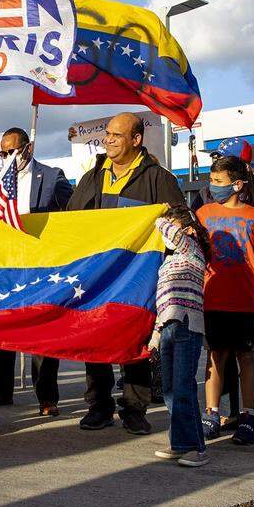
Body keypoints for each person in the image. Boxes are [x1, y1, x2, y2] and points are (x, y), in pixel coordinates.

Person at [67, 112, 185, 434]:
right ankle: (99, 406)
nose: (108, 140)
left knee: (134, 342)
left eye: (117, 135)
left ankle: (134, 409)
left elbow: (180, 224)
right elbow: (71, 221)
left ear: (136, 140)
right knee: (96, 340)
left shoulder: (159, 179)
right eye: (107, 133)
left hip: (138, 278)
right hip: (96, 277)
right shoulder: (92, 176)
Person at [0, 127, 73, 412]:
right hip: (7, 263)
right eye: (2, 152)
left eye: (11, 151)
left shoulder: (52, 177)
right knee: (3, 326)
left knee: (42, 331)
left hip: (41, 264)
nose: (7, 157)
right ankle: (2, 390)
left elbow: (74, 213)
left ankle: (46, 396)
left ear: (28, 148)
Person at [196, 155, 254, 446]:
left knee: (247, 358)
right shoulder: (203, 213)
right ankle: (211, 413)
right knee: (215, 357)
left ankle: (249, 415)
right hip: (212, 298)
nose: (213, 186)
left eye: (218, 181)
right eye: (211, 180)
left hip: (247, 300)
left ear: (237, 184)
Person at [151, 204, 210, 468]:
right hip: (168, 326)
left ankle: (196, 448)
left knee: (183, 386)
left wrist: (157, 215)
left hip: (187, 326)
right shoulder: (169, 261)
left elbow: (170, 231)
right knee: (170, 388)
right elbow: (162, 300)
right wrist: (155, 333)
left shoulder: (192, 250)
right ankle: (180, 442)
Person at [192, 139, 254, 218]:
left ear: (244, 166)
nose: (219, 163)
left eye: (225, 160)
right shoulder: (206, 193)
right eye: (217, 159)